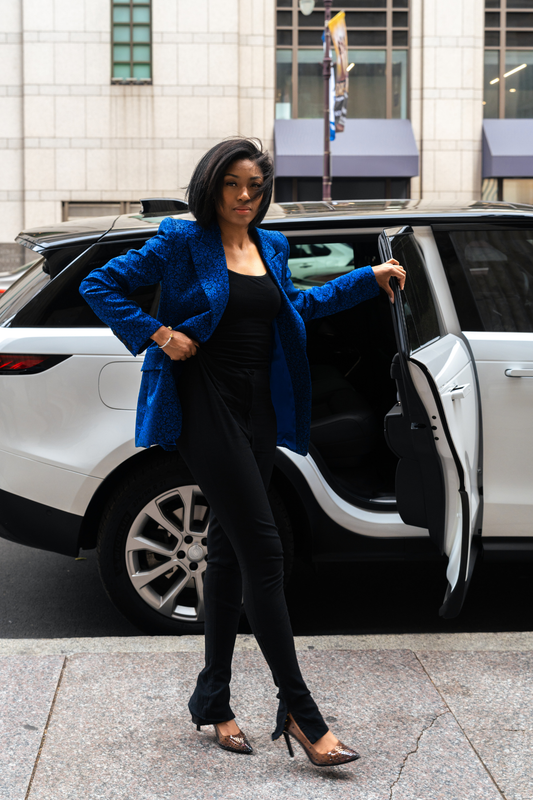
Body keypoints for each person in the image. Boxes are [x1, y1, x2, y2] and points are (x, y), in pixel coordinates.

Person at [79, 138, 406, 767]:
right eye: (234, 183)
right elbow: (101, 285)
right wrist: (160, 333)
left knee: (227, 553)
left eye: (256, 186)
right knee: (264, 549)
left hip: (258, 407)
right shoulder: (181, 240)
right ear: (212, 185)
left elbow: (296, 309)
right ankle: (301, 713)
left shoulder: (271, 246)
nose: (246, 196)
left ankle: (213, 699)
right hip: (204, 402)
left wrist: (367, 279)